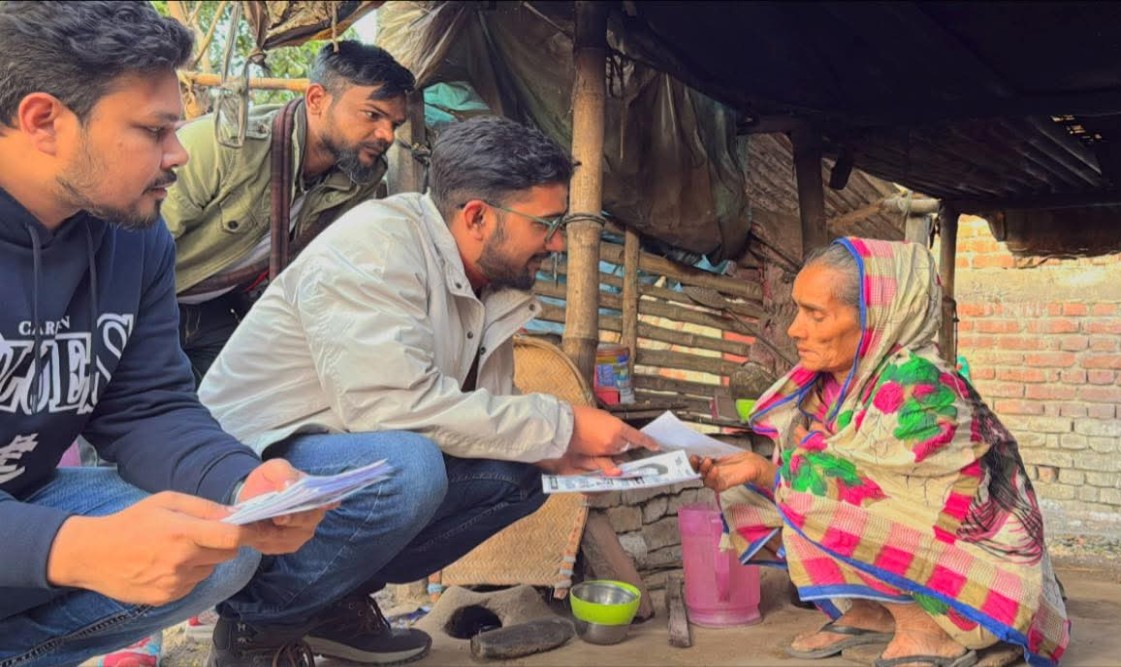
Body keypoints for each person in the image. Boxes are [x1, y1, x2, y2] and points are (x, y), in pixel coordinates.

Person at [196, 115, 659, 663]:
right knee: (408, 469)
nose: (556, 242)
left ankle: (330, 605)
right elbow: (389, 409)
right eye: (545, 224)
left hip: (343, 455)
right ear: (478, 217)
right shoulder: (376, 248)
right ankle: (258, 621)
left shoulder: (488, 283)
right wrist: (562, 424)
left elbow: (486, 416)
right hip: (245, 467)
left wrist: (553, 448)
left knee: (520, 473)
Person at [0, 3, 329, 666]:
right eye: (155, 131)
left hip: (20, 501)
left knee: (214, 546)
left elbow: (148, 405)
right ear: (44, 120)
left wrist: (243, 483)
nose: (179, 153)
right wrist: (72, 548)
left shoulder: (134, 236)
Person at [691, 238, 1070, 667]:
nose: (795, 329)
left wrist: (769, 473)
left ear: (876, 317)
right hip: (931, 560)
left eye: (816, 314)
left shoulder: (921, 383)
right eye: (799, 310)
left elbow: (856, 489)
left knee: (807, 485)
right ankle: (872, 611)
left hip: (980, 589)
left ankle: (928, 630)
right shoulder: (835, 383)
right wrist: (758, 474)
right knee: (756, 487)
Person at [164, 40, 414, 383]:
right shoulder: (225, 146)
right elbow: (129, 252)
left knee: (238, 412)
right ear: (316, 100)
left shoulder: (361, 178)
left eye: (394, 124)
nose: (386, 135)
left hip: (216, 311)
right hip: (147, 304)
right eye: (373, 115)